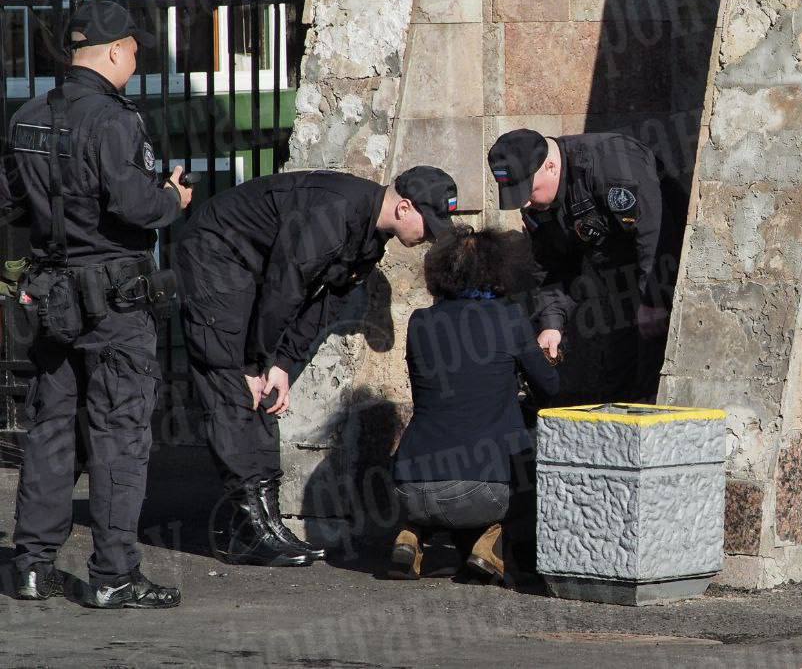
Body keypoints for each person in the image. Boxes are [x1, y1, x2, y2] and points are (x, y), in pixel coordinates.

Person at [2, 0, 194, 608]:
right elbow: (136, 207)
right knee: (119, 435)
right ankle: (114, 575)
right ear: (114, 51)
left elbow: (10, 201)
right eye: (134, 51)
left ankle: (32, 567)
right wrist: (173, 198)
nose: (136, 62)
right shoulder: (115, 121)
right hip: (115, 300)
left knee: (51, 430)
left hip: (52, 296)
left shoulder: (29, 114)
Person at [175, 166, 459, 567]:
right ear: (404, 208)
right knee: (231, 382)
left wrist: (282, 363)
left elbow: (325, 304)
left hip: (252, 270)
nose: (429, 236)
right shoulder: (335, 214)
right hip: (214, 256)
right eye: (429, 225)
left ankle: (267, 522)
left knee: (265, 394)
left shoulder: (370, 238)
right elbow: (286, 287)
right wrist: (254, 362)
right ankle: (244, 531)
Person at [388, 227, 558, 582]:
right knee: (533, 446)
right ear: (499, 270)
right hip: (480, 493)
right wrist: (542, 358)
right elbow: (549, 389)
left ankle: (411, 534)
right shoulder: (509, 317)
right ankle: (492, 544)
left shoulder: (420, 322)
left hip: (409, 488)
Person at [486, 128, 682, 404]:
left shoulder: (610, 162)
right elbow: (552, 267)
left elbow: (655, 236)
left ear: (551, 166)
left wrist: (654, 300)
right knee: (618, 381)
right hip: (620, 288)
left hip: (667, 280)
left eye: (528, 190)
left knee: (658, 379)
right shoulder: (539, 206)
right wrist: (552, 325)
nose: (526, 202)